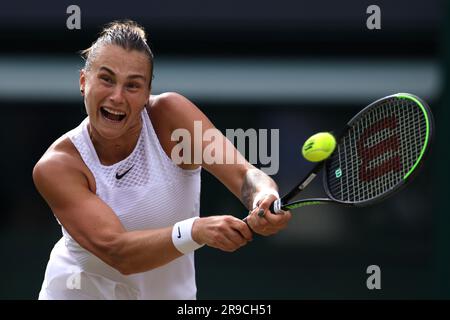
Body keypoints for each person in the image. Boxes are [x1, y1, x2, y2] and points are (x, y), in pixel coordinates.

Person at [33, 20, 291, 300]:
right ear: (84, 81)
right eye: (106, 79)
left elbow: (244, 174)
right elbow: (119, 253)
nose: (117, 96)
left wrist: (262, 196)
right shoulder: (58, 166)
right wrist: (196, 230)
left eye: (133, 85)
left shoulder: (170, 118)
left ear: (146, 94)